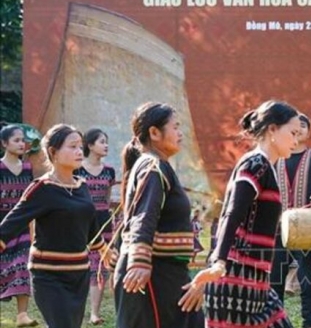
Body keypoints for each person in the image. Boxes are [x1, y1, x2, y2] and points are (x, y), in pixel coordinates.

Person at [192, 100, 300, 328]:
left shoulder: (265, 166)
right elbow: (232, 213)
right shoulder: (255, 164)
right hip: (235, 279)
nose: (296, 141)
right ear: (272, 129)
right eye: (293, 133)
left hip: (255, 279)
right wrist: (219, 262)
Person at [0, 124, 105, 328]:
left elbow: (90, 225)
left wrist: (104, 250)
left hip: (79, 274)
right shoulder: (42, 188)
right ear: (53, 152)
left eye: (80, 146)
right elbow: (10, 225)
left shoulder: (82, 185)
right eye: (72, 146)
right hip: (48, 275)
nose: (79, 151)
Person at [113, 102, 204, 328]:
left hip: (168, 272)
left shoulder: (159, 167)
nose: (180, 133)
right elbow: (144, 216)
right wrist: (139, 262)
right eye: (175, 127)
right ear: (154, 133)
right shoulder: (152, 167)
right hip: (151, 273)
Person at [270, 113, 311, 328]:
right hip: (278, 227)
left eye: (303, 126)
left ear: (308, 132)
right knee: (275, 278)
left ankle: (310, 323)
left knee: (308, 278)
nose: (298, 130)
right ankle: (276, 322)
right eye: (293, 127)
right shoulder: (275, 158)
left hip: (309, 227)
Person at [74, 128, 116, 326]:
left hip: (103, 222)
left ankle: (94, 313)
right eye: (101, 142)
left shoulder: (109, 171)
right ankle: (76, 310)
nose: (106, 145)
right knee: (81, 266)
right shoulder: (77, 170)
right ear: (90, 145)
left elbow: (107, 198)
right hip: (81, 222)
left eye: (106, 142)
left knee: (100, 266)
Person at [0, 124, 37, 327]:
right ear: (4, 143)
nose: (22, 144)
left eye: (23, 140)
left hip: (21, 227)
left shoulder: (28, 169)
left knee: (23, 266)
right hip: (1, 227)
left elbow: (30, 200)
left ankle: (22, 314)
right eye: (16, 140)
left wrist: (33, 230)